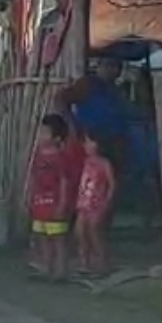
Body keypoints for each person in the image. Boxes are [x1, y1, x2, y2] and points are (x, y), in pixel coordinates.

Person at [28, 113, 73, 282]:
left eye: (45, 133)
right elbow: (33, 178)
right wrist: (30, 197)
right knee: (42, 236)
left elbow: (64, 181)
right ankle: (46, 268)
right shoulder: (38, 155)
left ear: (57, 138)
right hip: (40, 202)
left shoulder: (60, 157)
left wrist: (62, 203)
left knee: (58, 238)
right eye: (40, 132)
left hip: (54, 202)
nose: (41, 136)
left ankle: (60, 271)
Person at [75, 129, 117, 277]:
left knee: (95, 233)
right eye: (84, 142)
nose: (85, 145)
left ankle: (101, 264)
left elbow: (112, 184)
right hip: (83, 203)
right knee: (80, 233)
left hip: (97, 203)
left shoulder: (104, 163)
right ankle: (84, 264)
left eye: (89, 142)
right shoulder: (84, 162)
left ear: (98, 144)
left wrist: (107, 202)